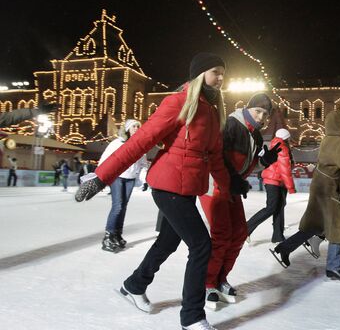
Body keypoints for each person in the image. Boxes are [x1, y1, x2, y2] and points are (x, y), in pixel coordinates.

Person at [74, 52, 230, 330]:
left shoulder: (213, 110)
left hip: (188, 187)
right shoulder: (178, 102)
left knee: (169, 242)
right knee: (201, 245)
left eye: (223, 73)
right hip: (168, 184)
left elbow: (215, 155)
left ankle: (134, 285)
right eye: (215, 71)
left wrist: (229, 187)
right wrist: (101, 178)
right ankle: (192, 317)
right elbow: (141, 142)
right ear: (200, 74)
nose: (220, 78)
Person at [270, 110, 340, 284]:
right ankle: (333, 268)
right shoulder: (339, 142)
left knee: (315, 226)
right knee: (337, 227)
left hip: (319, 186)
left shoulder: (327, 139)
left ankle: (284, 248)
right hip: (328, 190)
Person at [199, 92, 278, 308]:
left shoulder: (256, 136)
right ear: (248, 108)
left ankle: (221, 278)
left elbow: (245, 165)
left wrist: (264, 162)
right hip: (214, 184)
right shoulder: (232, 124)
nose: (261, 117)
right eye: (258, 111)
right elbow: (217, 157)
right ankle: (207, 284)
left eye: (265, 114)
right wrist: (232, 179)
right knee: (222, 234)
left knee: (240, 233)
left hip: (231, 186)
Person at [98, 119, 148, 252]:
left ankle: (117, 234)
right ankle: (108, 236)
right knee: (118, 206)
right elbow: (105, 159)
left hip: (130, 178)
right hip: (117, 177)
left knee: (123, 207)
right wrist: (101, 177)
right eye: (134, 126)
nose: (136, 128)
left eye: (138, 126)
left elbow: (143, 164)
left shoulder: (140, 144)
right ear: (127, 129)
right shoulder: (118, 143)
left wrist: (144, 179)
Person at [247, 128, 295, 245]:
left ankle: (278, 236)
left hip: (277, 181)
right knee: (271, 208)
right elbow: (285, 170)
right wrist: (291, 187)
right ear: (286, 138)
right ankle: (246, 229)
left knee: (279, 207)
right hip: (274, 181)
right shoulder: (282, 148)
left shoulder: (275, 144)